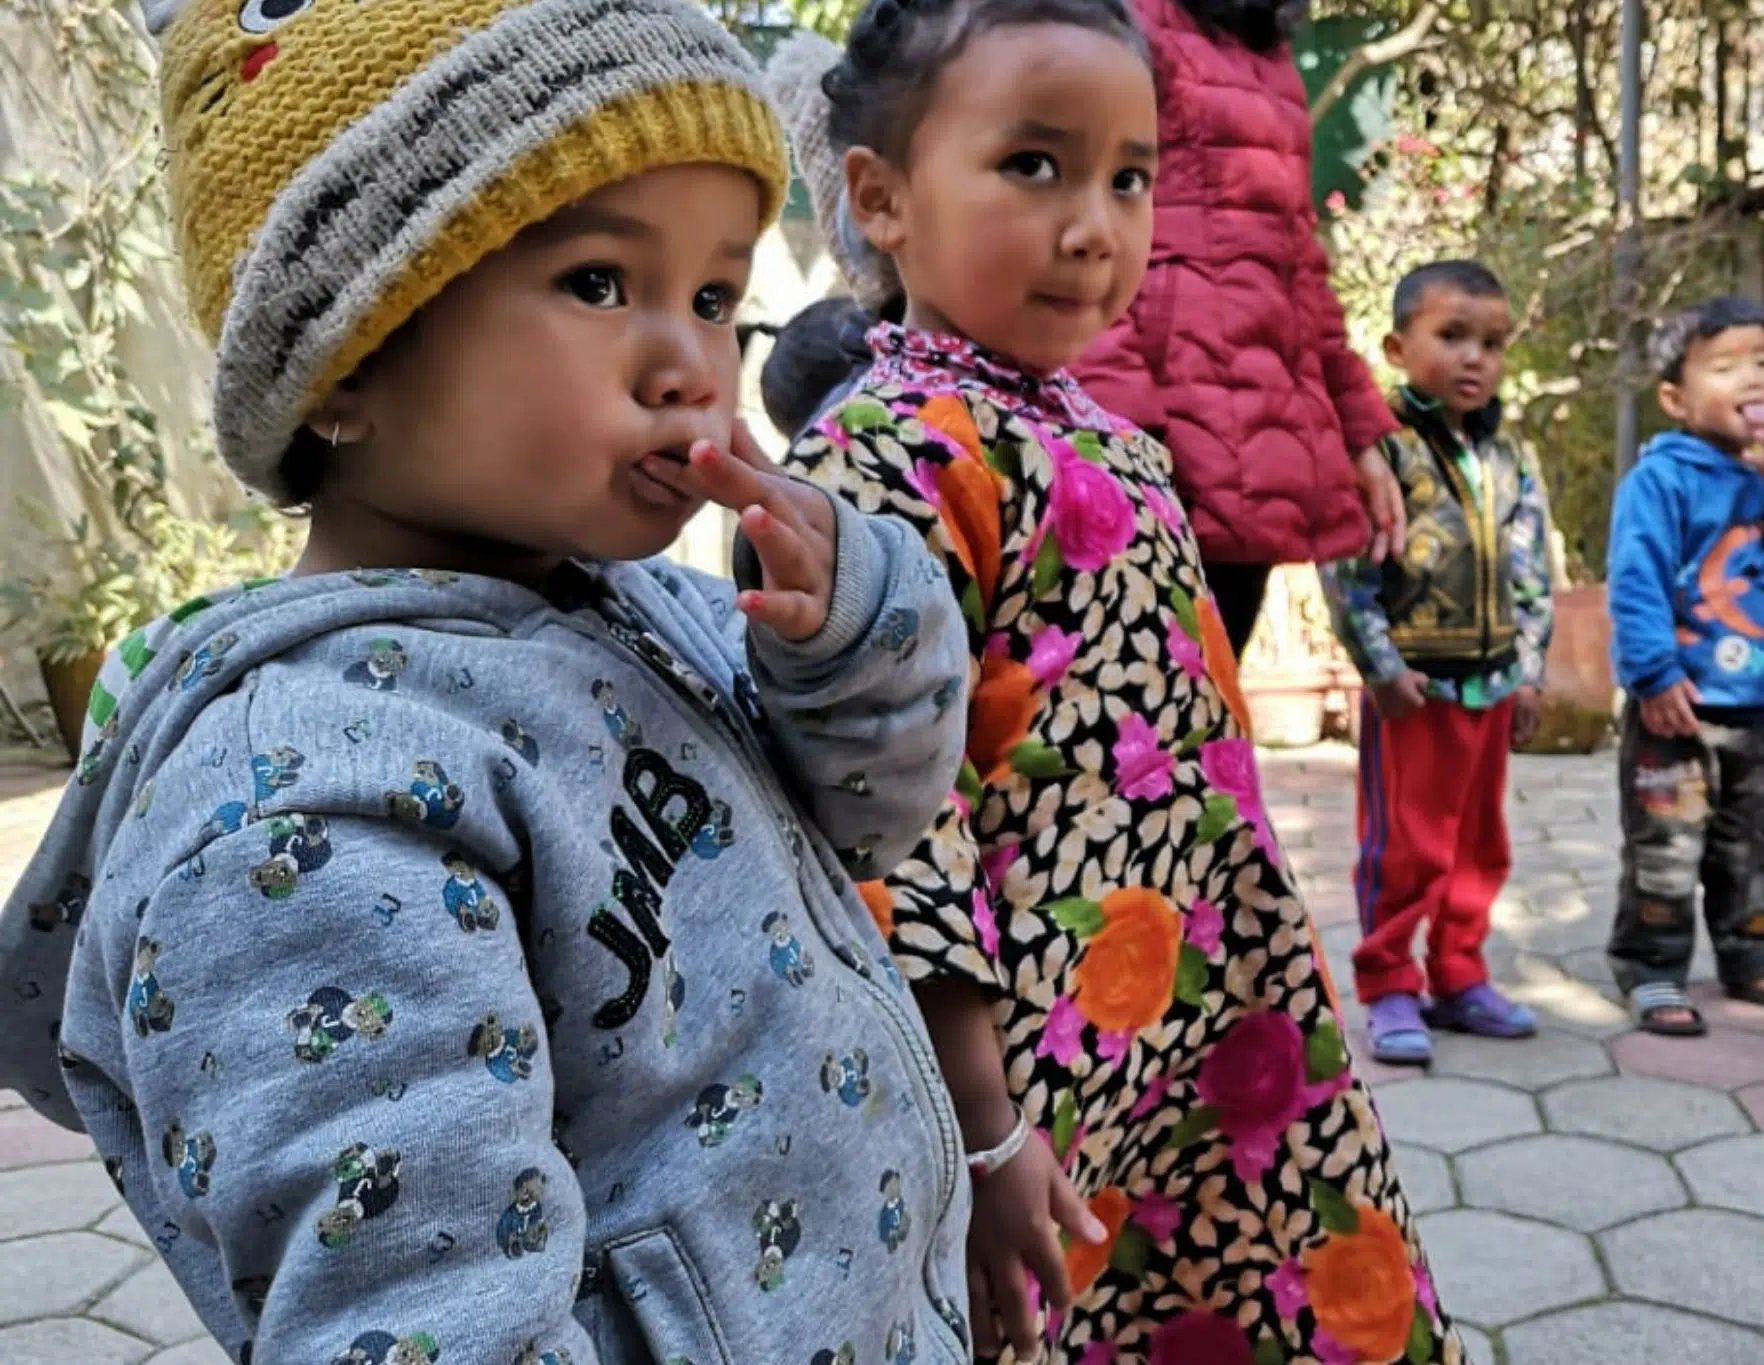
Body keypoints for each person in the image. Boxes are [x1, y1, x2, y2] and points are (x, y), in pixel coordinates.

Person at [0, 3, 978, 1362]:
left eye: (713, 298)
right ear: (342, 366)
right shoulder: (305, 817)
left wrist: (844, 636)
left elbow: (875, 814)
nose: (690, 362)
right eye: (597, 282)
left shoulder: (651, 612)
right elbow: (425, 1320)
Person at [768, 0, 1463, 1361]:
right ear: (882, 198)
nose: (1096, 225)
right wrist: (985, 1134)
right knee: (1024, 1314)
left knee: (1255, 1291)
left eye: (1129, 176)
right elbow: (888, 828)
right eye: (1035, 166)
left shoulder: (1117, 442)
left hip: (1213, 1001)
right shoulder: (886, 463)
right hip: (1029, 1056)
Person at [1063, 0, 1407, 656]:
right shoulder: (1122, 19)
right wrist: (1124, 433)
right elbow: (1078, 226)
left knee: (1207, 707)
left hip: (1258, 436)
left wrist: (1359, 428)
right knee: (1129, 710)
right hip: (1157, 436)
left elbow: (1299, 260)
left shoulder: (1269, 54)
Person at [1604, 298, 1764, 1035]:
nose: (1751, 377)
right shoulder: (1660, 481)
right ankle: (1650, 967)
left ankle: (1753, 958)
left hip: (1761, 708)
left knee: (1761, 841)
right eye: (1724, 366)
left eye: (1763, 359)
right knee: (1665, 843)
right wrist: (1651, 673)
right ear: (1676, 398)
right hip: (1677, 708)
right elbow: (1635, 576)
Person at [1320, 260, 1553, 1067]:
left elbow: (1531, 566)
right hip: (1412, 688)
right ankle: (1388, 980)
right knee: (1405, 844)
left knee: (1478, 843)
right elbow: (1346, 563)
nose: (1474, 359)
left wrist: (1531, 668)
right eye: (1451, 336)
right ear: (1396, 344)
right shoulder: (1381, 450)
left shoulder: (1512, 458)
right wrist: (1379, 665)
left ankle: (1459, 972)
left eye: (1491, 342)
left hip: (1490, 681)